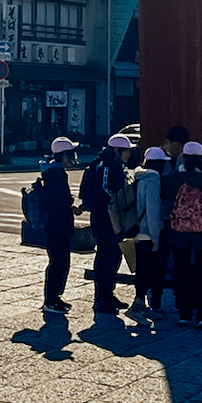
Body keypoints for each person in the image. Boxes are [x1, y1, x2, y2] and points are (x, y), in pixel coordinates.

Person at [162, 142, 202, 326]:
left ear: (183, 157)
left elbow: (165, 199)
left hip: (179, 232)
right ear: (201, 158)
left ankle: (184, 313)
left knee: (181, 271)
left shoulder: (173, 178)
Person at [78, 133, 133, 314]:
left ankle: (108, 294)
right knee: (106, 256)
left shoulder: (114, 164)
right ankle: (101, 298)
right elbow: (104, 189)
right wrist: (120, 201)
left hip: (113, 217)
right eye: (126, 151)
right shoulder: (106, 165)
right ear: (117, 150)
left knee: (114, 255)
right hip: (105, 217)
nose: (129, 154)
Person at [37, 137, 77, 315]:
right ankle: (51, 300)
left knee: (60, 262)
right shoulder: (56, 174)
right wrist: (69, 203)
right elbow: (57, 203)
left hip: (57, 226)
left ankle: (55, 297)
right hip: (57, 227)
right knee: (58, 263)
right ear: (65, 155)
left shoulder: (54, 171)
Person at [130, 147, 168, 315]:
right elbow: (153, 209)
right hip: (148, 230)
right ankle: (144, 305)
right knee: (152, 269)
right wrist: (156, 236)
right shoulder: (153, 179)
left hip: (135, 228)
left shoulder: (137, 176)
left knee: (141, 268)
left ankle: (139, 301)